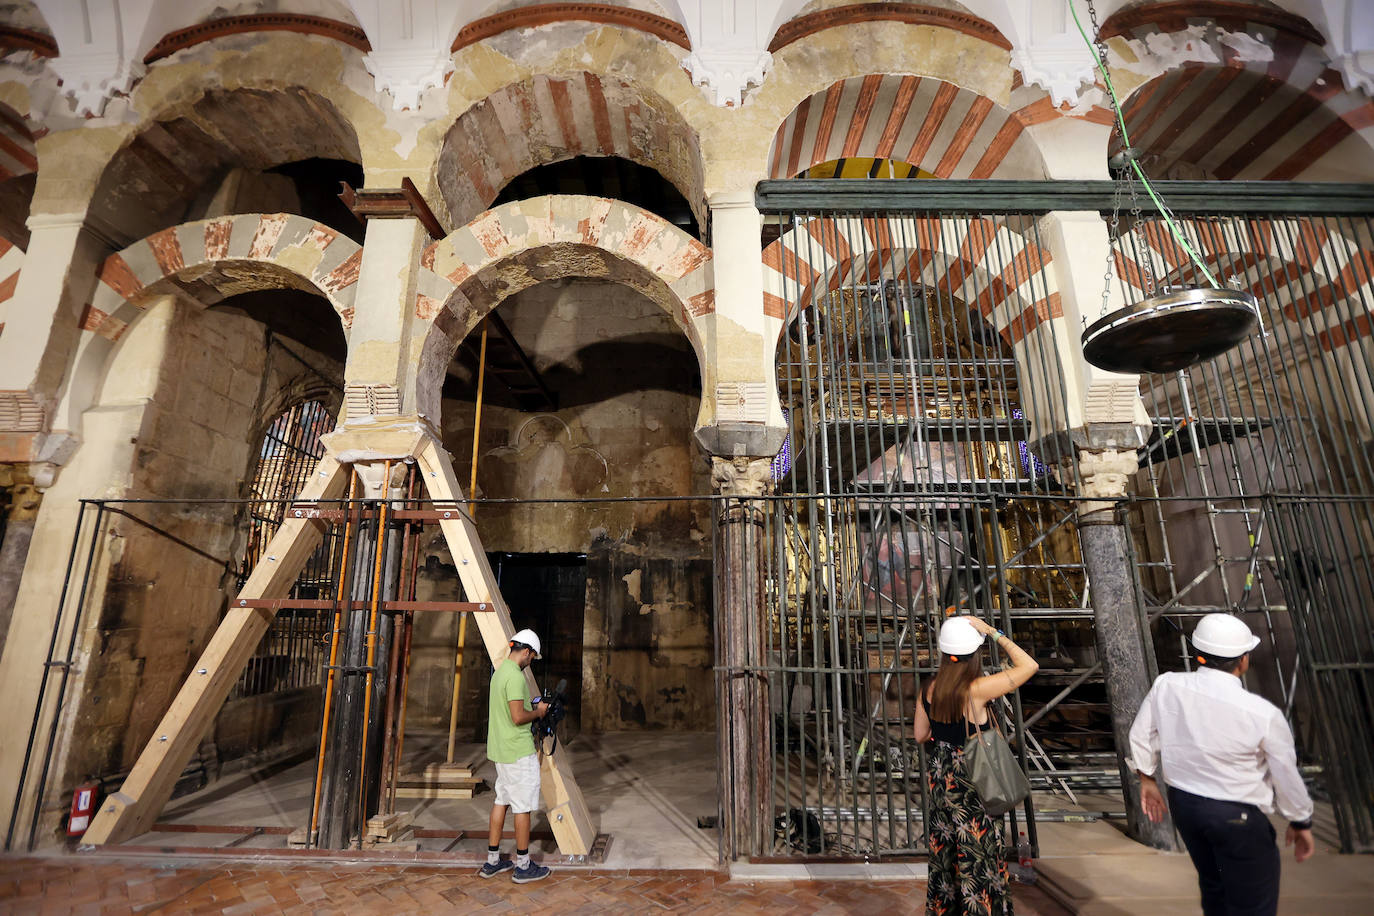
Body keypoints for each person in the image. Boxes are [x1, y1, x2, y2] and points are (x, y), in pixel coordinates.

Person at [1127, 613, 1314, 916]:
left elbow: (1140, 735)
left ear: (1198, 653)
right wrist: (1300, 819)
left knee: (1215, 890)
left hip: (1186, 807)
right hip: (1235, 816)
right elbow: (1285, 774)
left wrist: (1147, 779)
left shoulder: (1167, 685)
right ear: (1243, 660)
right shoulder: (1262, 713)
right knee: (1251, 905)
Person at [913, 615, 1039, 916]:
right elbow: (1029, 665)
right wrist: (993, 632)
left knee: (945, 847)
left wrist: (945, 734)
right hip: (972, 774)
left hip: (942, 774)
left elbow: (920, 735)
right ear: (974, 655)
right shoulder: (977, 688)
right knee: (977, 849)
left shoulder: (929, 688)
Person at [477, 628, 552, 883]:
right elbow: (518, 717)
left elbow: (508, 710)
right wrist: (539, 712)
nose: (531, 661)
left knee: (502, 801)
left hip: (501, 751)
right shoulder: (516, 677)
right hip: (518, 752)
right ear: (526, 652)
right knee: (522, 807)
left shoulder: (499, 673)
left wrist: (532, 705)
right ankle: (523, 866)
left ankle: (492, 861)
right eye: (532, 657)